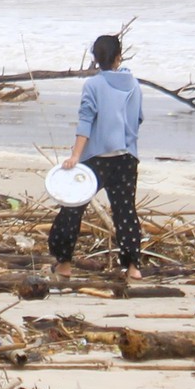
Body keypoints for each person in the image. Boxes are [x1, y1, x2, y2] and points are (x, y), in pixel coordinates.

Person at [49, 32, 145, 278]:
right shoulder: (134, 84)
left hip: (96, 158)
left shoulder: (92, 85)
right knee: (125, 211)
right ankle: (133, 266)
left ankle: (64, 263)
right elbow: (138, 119)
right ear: (118, 58)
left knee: (73, 207)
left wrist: (75, 157)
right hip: (126, 157)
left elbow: (86, 122)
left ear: (95, 58)